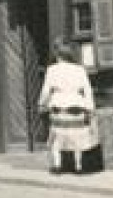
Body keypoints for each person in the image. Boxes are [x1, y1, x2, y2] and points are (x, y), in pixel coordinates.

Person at [37, 39, 99, 174]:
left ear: (57, 54)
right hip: (76, 106)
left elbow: (46, 90)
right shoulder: (80, 69)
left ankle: (57, 166)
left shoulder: (52, 69)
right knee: (77, 137)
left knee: (57, 138)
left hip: (59, 105)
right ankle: (78, 166)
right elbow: (87, 90)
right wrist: (90, 107)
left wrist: (41, 103)